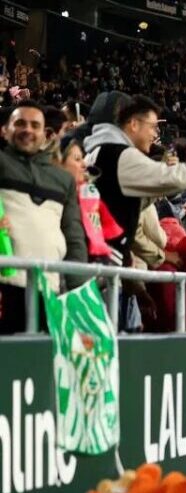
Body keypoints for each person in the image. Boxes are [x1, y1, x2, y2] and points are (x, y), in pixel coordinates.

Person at [82, 94, 186, 260]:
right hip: (103, 258)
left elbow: (128, 208)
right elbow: (174, 178)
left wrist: (160, 256)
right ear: (133, 124)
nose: (156, 134)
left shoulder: (100, 151)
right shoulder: (120, 155)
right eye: (153, 127)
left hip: (101, 254)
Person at [0, 101, 88, 334]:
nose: (27, 129)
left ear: (44, 134)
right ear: (5, 130)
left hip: (49, 289)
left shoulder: (63, 179)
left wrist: (77, 293)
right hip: (5, 286)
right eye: (20, 123)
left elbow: (74, 236)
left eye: (35, 125)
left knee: (39, 365)